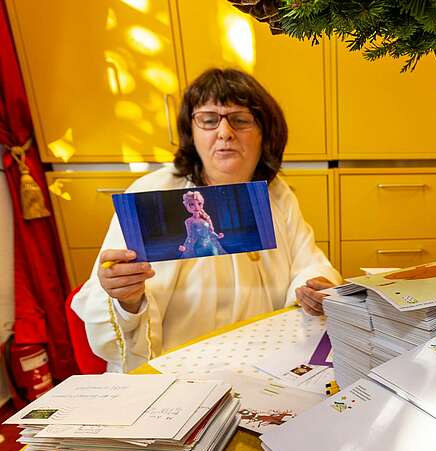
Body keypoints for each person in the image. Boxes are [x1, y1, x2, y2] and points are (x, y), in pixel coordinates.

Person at [72, 68, 341, 372]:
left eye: (240, 120)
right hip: (178, 368)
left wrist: (312, 288)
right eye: (209, 120)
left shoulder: (277, 194)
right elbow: (110, 296)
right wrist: (127, 297)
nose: (225, 133)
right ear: (192, 132)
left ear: (266, 132)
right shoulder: (151, 192)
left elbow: (308, 262)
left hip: (264, 360)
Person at [177, 190, 227, 258]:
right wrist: (184, 246)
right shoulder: (189, 221)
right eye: (192, 204)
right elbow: (190, 236)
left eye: (199, 203)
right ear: (187, 206)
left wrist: (218, 236)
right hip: (199, 247)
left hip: (210, 245)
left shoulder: (206, 218)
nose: (196, 207)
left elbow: (211, 232)